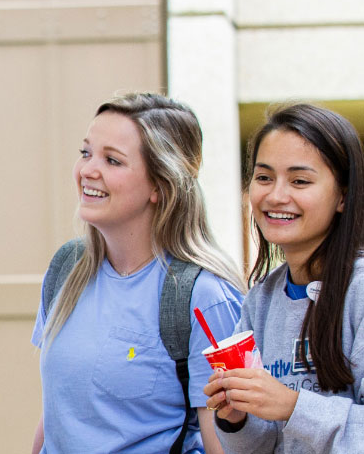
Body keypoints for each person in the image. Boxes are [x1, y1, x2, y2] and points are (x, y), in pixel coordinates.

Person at [31, 94, 245, 453]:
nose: (87, 171)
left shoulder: (207, 297)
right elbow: (58, 415)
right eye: (86, 153)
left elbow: (223, 441)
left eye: (112, 160)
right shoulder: (67, 268)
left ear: (160, 187)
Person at [205, 103, 364, 453]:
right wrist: (237, 419)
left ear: (343, 195)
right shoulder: (260, 300)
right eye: (264, 177)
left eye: (300, 181)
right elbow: (264, 445)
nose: (276, 196)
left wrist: (292, 406)